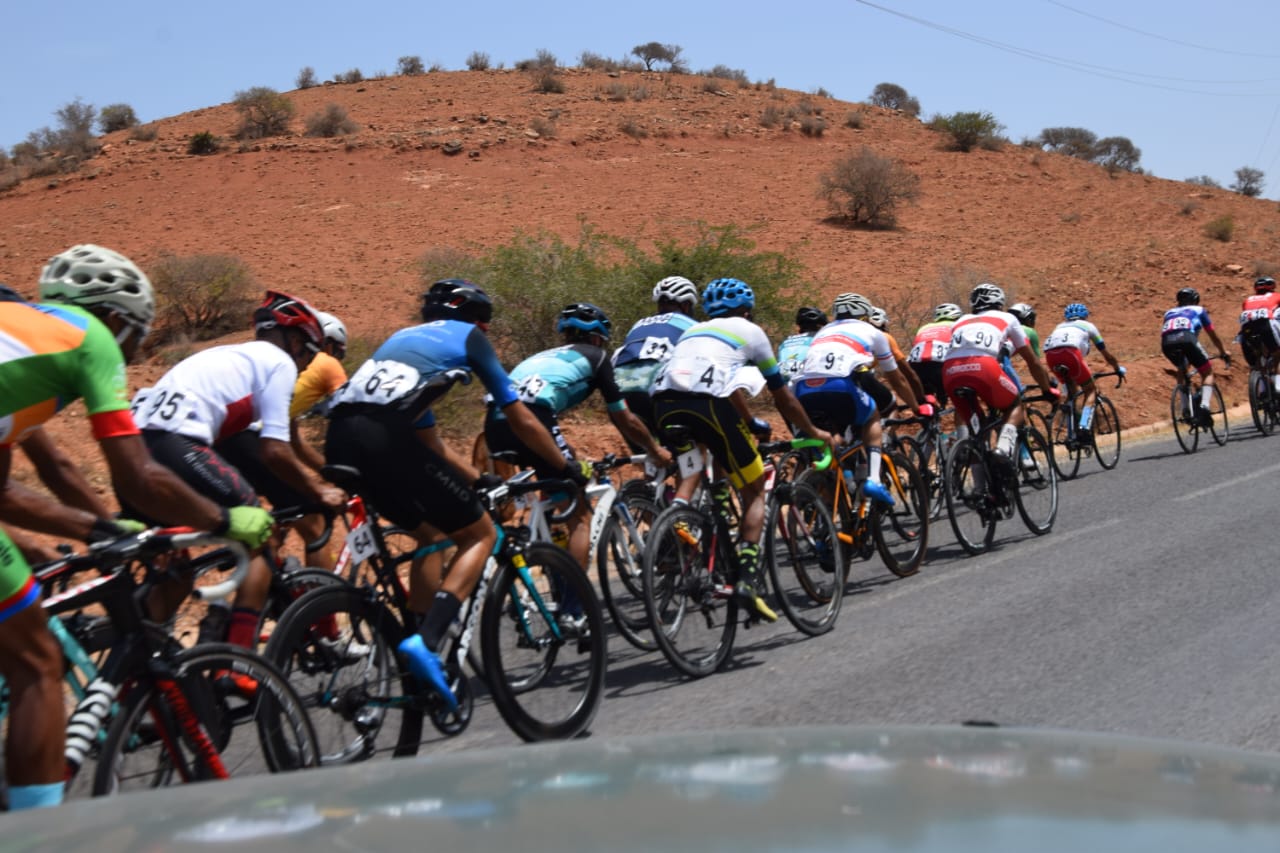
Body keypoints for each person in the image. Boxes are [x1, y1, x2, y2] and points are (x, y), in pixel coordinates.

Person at [0, 244, 274, 811]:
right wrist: (223, 519)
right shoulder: (89, 338)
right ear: (115, 317)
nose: (133, 351)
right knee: (36, 662)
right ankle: (38, 834)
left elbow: (50, 472)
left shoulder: (24, 340)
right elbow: (141, 476)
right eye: (137, 337)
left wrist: (105, 527)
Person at [325, 279, 585, 709]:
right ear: (471, 319)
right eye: (483, 321)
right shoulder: (467, 337)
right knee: (480, 535)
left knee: (432, 536)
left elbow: (430, 443)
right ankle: (426, 642)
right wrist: (563, 467)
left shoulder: (402, 342)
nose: (485, 330)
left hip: (340, 440)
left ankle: (418, 649)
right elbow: (519, 416)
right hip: (384, 438)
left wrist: (480, 480)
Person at [127, 290, 346, 653]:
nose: (308, 366)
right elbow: (274, 450)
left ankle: (133, 661)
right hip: (176, 444)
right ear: (295, 342)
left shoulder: (226, 355)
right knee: (262, 534)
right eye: (310, 354)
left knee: (175, 575)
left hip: (133, 453)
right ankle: (239, 660)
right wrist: (318, 491)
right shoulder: (280, 363)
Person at [651, 277, 835, 622]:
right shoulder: (751, 332)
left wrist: (748, 421)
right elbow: (783, 396)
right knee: (754, 490)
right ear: (747, 310)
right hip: (707, 404)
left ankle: (677, 521)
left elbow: (726, 382)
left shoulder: (694, 331)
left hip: (662, 406)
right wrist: (813, 432)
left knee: (699, 465)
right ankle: (747, 581)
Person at [485, 302, 671, 580]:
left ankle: (551, 556)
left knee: (558, 475)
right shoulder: (597, 357)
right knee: (580, 517)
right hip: (532, 419)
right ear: (597, 338)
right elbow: (624, 418)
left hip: (494, 423)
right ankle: (575, 600)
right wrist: (654, 450)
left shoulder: (541, 357)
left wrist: (569, 454)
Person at [794, 296, 930, 505]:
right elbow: (897, 379)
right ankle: (874, 479)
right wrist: (916, 407)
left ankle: (829, 501)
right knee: (872, 416)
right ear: (865, 315)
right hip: (840, 383)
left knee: (835, 436)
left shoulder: (823, 331)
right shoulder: (874, 332)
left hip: (803, 389)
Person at [942, 283, 1058, 466]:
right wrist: (1046, 389)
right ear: (1000, 302)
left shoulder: (960, 321)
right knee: (1015, 404)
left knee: (978, 434)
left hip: (950, 371)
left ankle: (976, 479)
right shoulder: (1008, 318)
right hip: (984, 366)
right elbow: (1033, 361)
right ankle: (1003, 449)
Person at [611, 276, 700, 441]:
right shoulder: (692, 325)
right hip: (656, 390)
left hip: (619, 392)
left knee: (649, 449)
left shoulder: (638, 324)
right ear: (687, 305)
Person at [1042, 303, 1125, 443]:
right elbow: (1106, 354)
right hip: (1070, 353)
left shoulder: (1059, 326)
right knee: (1090, 390)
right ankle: (1084, 427)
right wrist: (1117, 368)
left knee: (1071, 394)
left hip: (1050, 356)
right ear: (1085, 316)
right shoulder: (1088, 326)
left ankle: (1071, 430)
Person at [1160, 287, 1231, 426]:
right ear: (1195, 300)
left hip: (1167, 343)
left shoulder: (1169, 312)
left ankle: (1185, 408)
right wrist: (1223, 351)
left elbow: (1171, 331)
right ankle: (1204, 406)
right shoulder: (1199, 310)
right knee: (1207, 372)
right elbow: (1212, 334)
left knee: (1182, 370)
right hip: (1187, 339)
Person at [867, 305, 928, 406]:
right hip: (853, 380)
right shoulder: (884, 336)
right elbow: (908, 374)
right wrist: (921, 401)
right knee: (889, 405)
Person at [907, 303, 962, 407]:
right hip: (940, 365)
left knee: (927, 394)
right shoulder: (957, 325)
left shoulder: (924, 328)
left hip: (915, 366)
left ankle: (930, 408)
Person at [1237, 276, 1280, 395]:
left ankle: (1262, 389)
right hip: (1265, 325)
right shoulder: (1276, 296)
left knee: (1258, 359)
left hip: (1246, 329)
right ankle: (1278, 387)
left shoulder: (1247, 300)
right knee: (1277, 354)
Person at [776, 306, 828, 383]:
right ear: (819, 326)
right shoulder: (819, 340)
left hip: (783, 384)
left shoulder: (785, 342)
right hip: (804, 382)